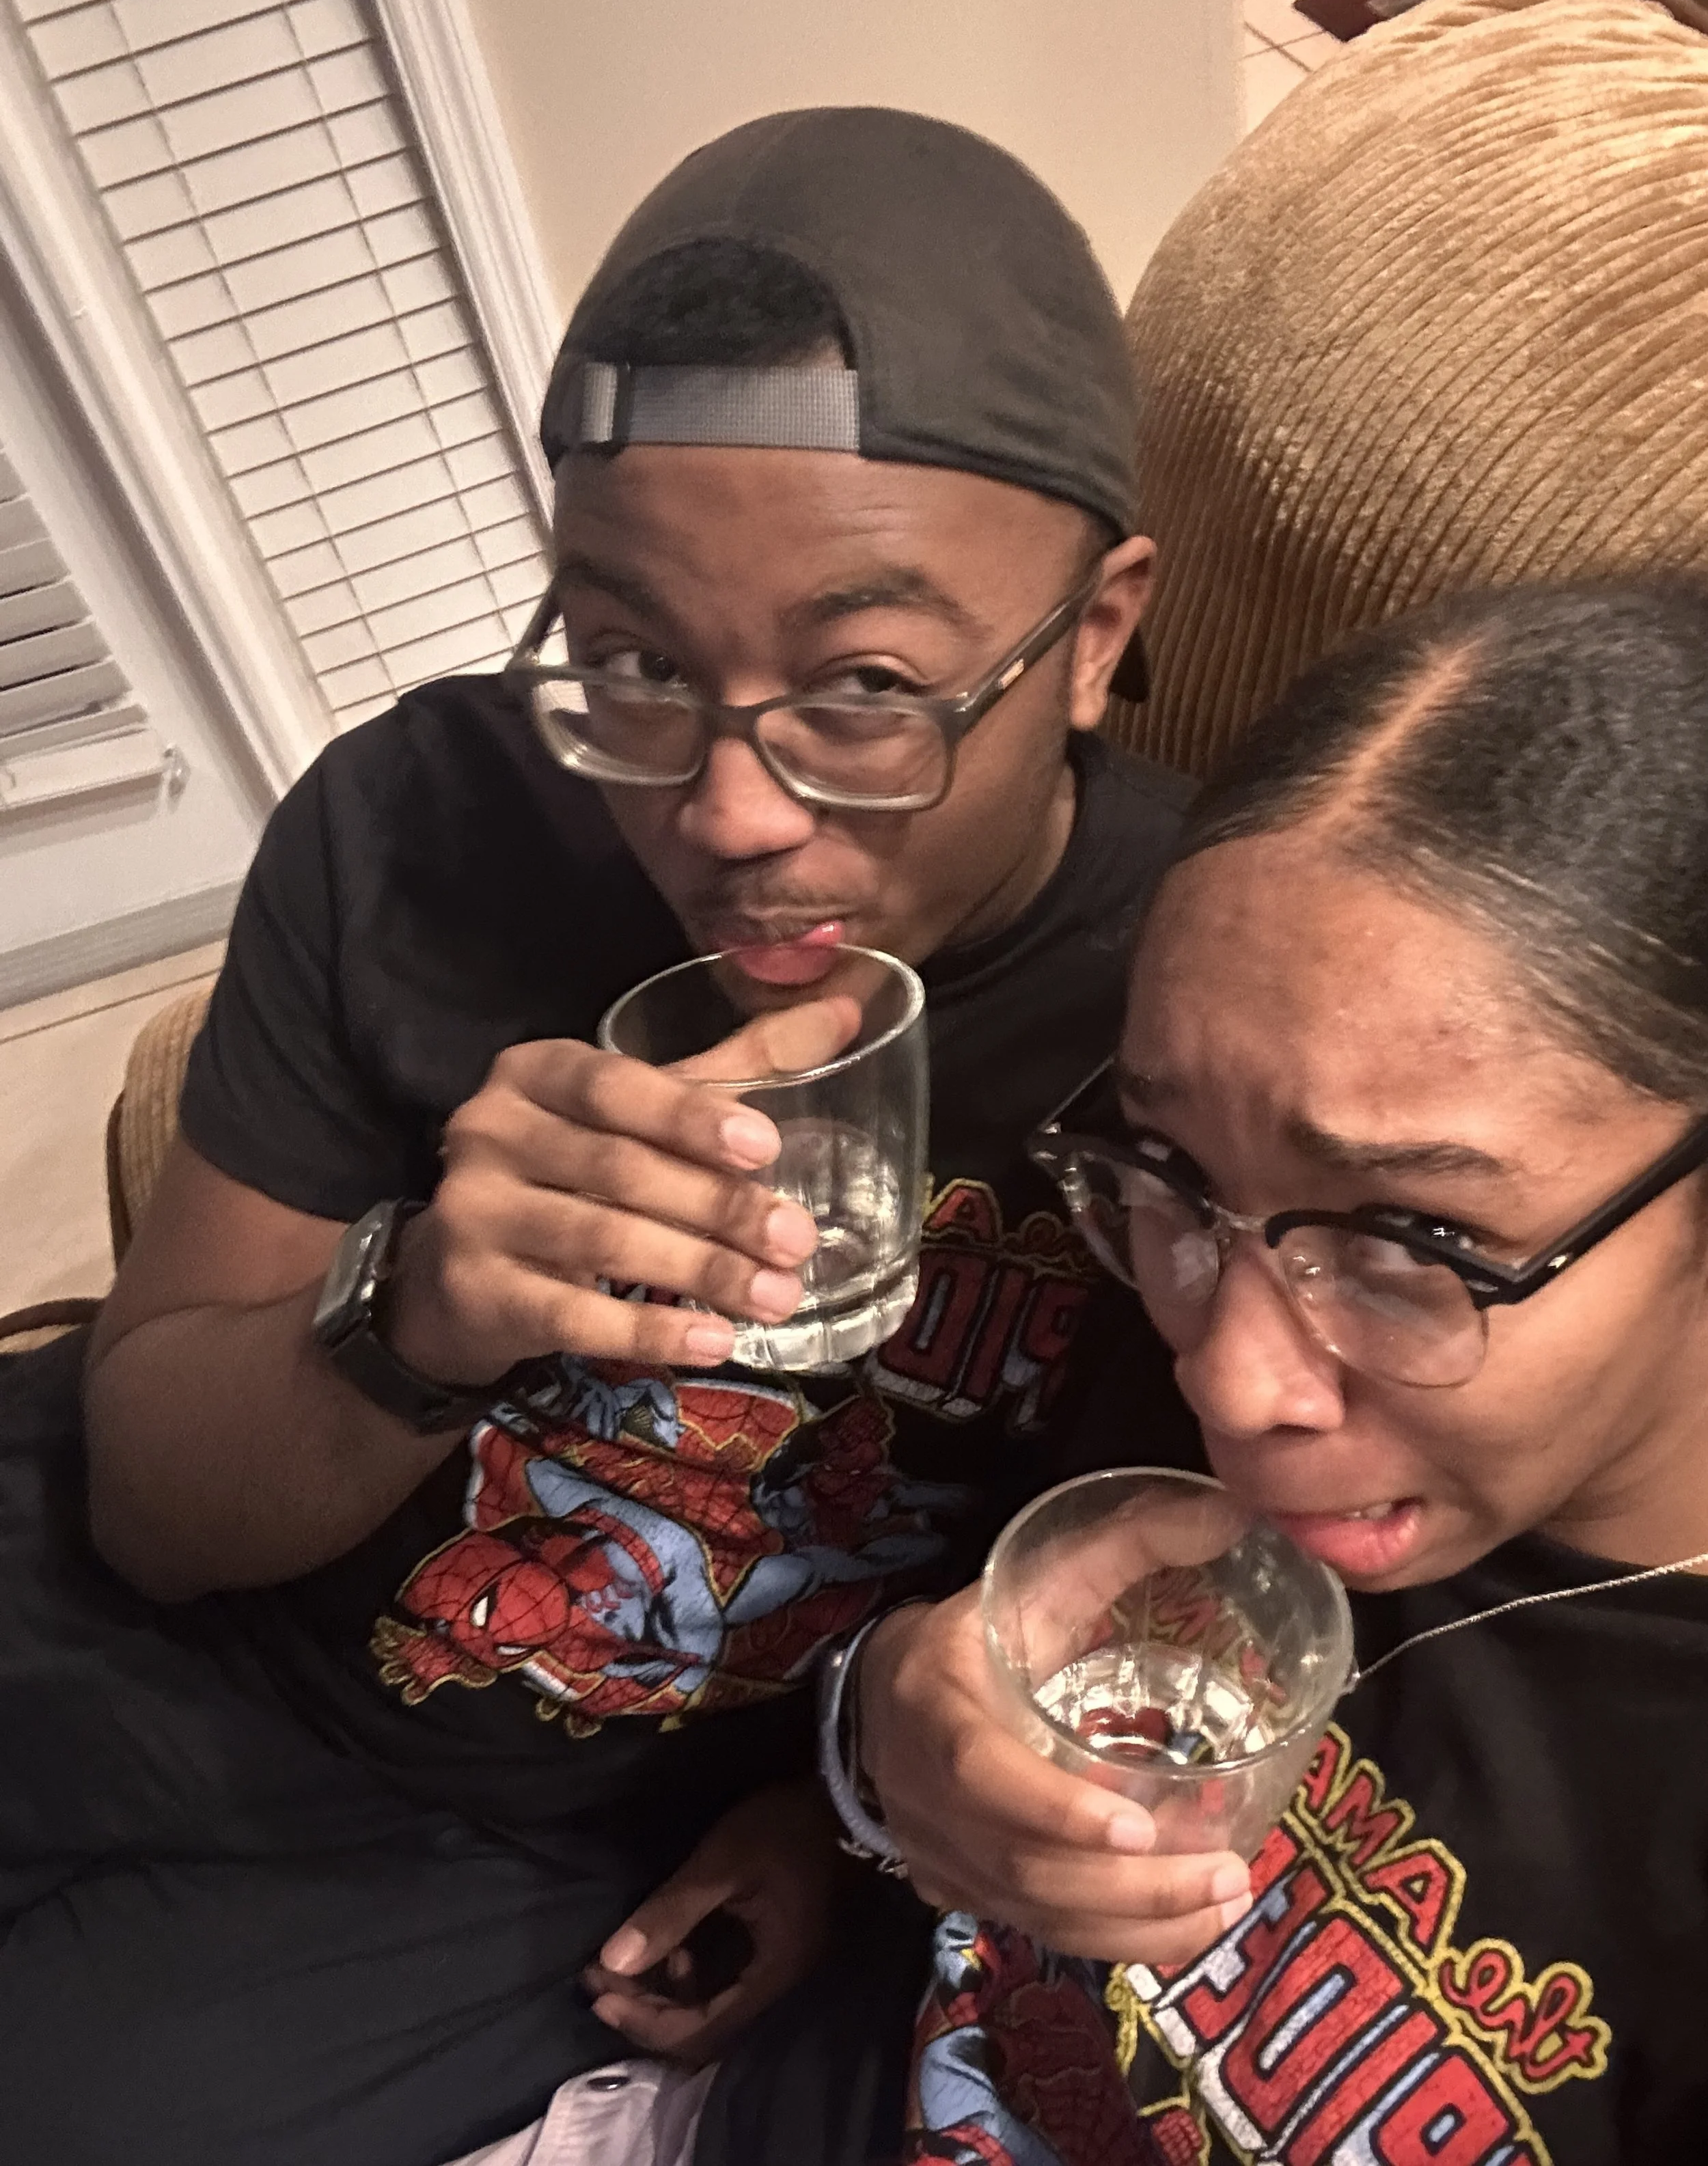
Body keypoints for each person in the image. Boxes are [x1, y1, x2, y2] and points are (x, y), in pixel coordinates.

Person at [0, 107, 1201, 2166]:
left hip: (519, 1850)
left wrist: (837, 1817)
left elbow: (1174, 1597)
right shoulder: (421, 822)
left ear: (1090, 639)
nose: (725, 813)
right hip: (147, 1617)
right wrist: (409, 1314)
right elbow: (153, 1506)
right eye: (634, 663)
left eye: (864, 685)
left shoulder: (1205, 1001)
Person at [857, 578, 1708, 2163]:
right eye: (1169, 1169)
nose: (1229, 1384)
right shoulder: (1181, 1285)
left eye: (1411, 1237)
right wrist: (878, 1747)